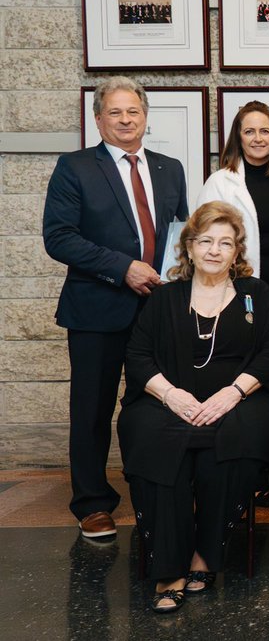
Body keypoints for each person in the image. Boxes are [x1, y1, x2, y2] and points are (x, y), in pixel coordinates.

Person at [120, 202, 269, 612]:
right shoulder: (164, 298)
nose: (215, 250)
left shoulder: (255, 294)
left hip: (242, 400)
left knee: (233, 439)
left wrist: (234, 392)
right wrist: (171, 395)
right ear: (190, 247)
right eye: (206, 241)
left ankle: (206, 556)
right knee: (150, 437)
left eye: (225, 242)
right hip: (168, 401)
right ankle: (169, 568)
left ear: (237, 252)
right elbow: (138, 357)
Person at [43, 75, 189, 539]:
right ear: (98, 118)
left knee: (153, 403)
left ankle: (152, 489)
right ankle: (92, 503)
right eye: (115, 112)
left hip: (158, 309)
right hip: (97, 308)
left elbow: (178, 233)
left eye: (134, 112)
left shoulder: (170, 168)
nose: (126, 120)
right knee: (92, 407)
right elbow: (59, 237)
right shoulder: (75, 167)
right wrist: (122, 267)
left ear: (146, 117)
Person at [197, 100, 269, 288]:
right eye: (249, 132)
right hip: (238, 285)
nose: (258, 138)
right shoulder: (220, 182)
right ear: (239, 138)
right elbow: (202, 241)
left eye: (264, 131)